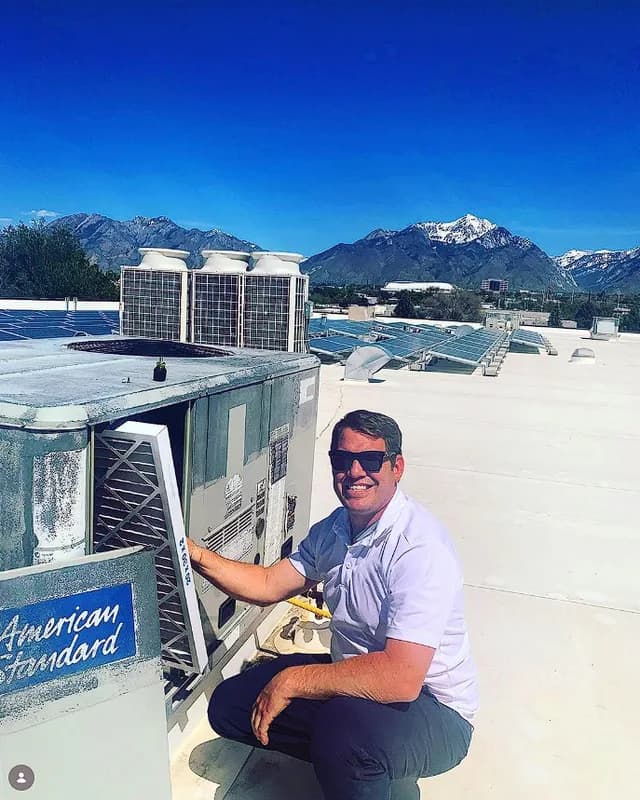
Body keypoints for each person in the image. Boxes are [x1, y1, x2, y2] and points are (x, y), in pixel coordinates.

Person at [188, 409, 478, 800]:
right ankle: (354, 760)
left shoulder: (418, 549)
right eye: (342, 460)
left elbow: (402, 678)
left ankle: (356, 757)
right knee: (231, 706)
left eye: (370, 460)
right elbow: (269, 583)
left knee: (345, 732)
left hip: (435, 711)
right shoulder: (336, 528)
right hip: (358, 685)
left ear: (397, 467)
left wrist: (293, 682)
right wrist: (196, 556)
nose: (355, 471)